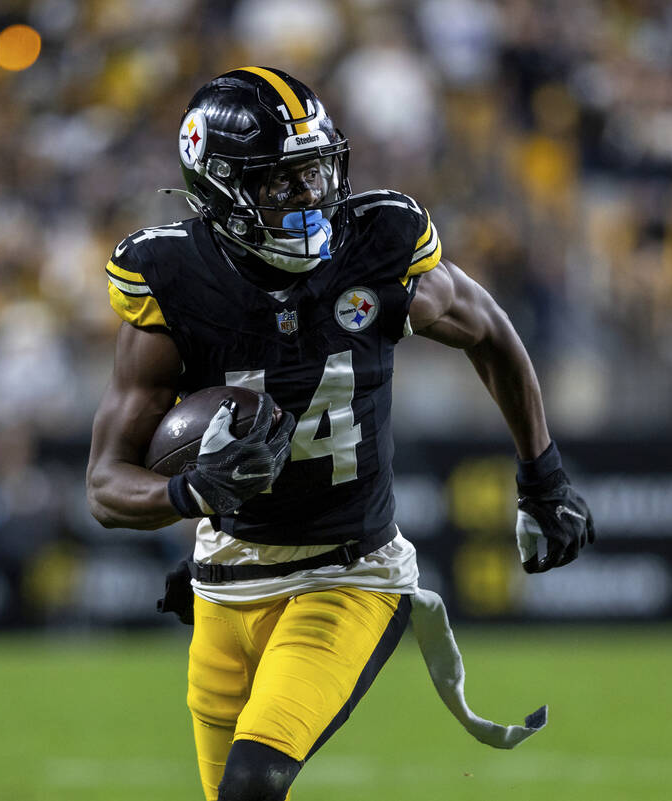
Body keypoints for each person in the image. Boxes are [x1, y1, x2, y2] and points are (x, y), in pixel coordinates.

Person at [86, 67, 595, 801]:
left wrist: (542, 473)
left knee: (251, 787)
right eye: (280, 182)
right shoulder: (172, 277)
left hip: (347, 572)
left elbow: (489, 331)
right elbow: (105, 484)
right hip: (226, 582)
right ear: (221, 188)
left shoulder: (375, 245)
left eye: (316, 172)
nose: (309, 197)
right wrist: (190, 488)